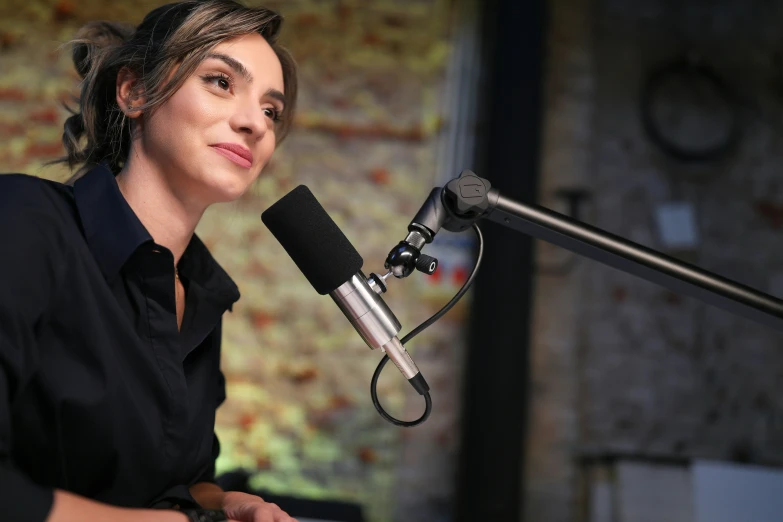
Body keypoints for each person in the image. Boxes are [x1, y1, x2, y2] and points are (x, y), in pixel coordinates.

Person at [0, 1, 300, 521]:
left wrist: (227, 503)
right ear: (134, 91)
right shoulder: (25, 222)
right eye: (221, 82)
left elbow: (177, 482)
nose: (255, 122)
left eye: (271, 111)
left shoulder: (204, 294)